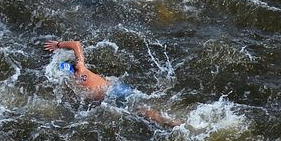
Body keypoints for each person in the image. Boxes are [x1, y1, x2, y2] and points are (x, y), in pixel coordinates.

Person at [43, 41, 180, 126]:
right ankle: (170, 120)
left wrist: (58, 44)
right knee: (144, 108)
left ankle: (174, 123)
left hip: (113, 94)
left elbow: (76, 44)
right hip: (115, 88)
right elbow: (76, 45)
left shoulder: (78, 74)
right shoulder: (80, 71)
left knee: (144, 112)